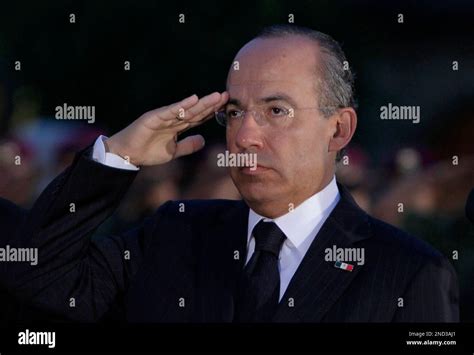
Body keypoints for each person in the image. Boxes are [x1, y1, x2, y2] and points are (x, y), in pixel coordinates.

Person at [8, 24, 458, 322]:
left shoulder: (409, 273)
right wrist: (117, 157)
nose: (244, 135)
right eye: (235, 112)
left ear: (338, 129)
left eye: (276, 110)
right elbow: (37, 278)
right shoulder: (173, 235)